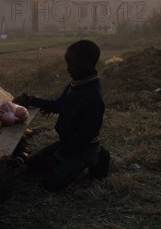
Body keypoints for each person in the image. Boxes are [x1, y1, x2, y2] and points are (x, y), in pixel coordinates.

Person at [14, 39, 110, 191]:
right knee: (32, 167)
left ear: (87, 64)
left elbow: (84, 136)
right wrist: (32, 100)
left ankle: (96, 157)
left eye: (71, 64)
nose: (68, 69)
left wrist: (60, 156)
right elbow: (58, 105)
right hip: (67, 142)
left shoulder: (92, 96)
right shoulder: (75, 84)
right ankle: (82, 157)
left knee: (50, 184)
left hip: (84, 148)